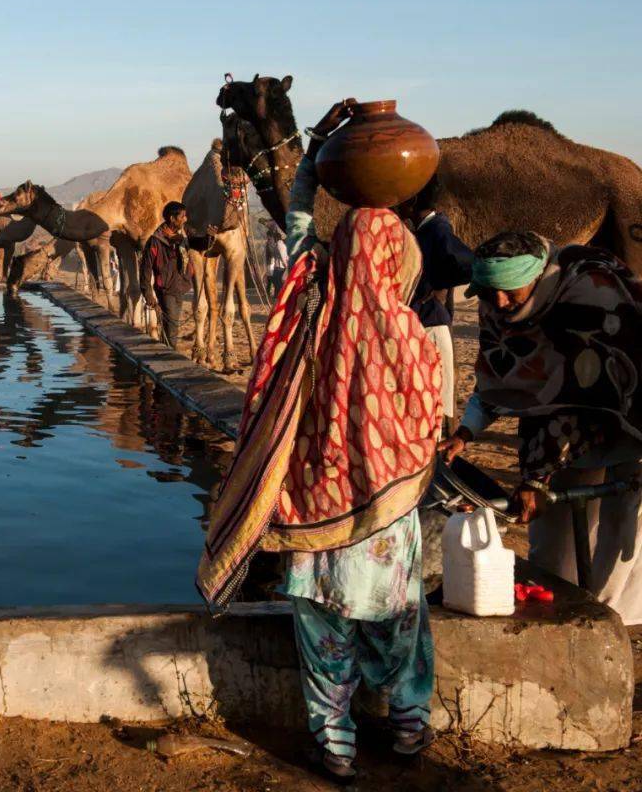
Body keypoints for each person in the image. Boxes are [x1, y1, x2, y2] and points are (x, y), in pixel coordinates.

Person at [197, 100, 440, 782]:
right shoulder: (412, 335)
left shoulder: (314, 293)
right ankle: (409, 725)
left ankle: (334, 746)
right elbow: (429, 421)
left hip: (317, 510)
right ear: (398, 266)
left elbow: (297, 212)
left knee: (322, 633)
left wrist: (324, 139)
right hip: (387, 522)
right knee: (400, 625)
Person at [440, 230, 642, 625]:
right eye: (486, 292)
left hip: (628, 416)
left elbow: (578, 397)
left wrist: (537, 479)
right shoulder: (496, 304)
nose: (498, 302)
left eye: (508, 292)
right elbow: (503, 376)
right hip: (556, 432)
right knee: (554, 542)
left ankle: (610, 628)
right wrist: (465, 434)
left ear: (534, 277)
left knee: (619, 531)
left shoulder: (589, 298)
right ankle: (564, 614)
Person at [396, 178, 474, 432]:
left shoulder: (437, 231)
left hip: (431, 327)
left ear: (412, 201)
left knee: (433, 411)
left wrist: (440, 285)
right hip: (421, 326)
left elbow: (467, 266)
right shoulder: (422, 232)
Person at [140, 201, 192, 348]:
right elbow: (146, 268)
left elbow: (199, 244)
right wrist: (147, 293)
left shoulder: (181, 239)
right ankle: (171, 355)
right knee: (172, 326)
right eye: (182, 216)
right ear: (172, 218)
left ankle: (166, 352)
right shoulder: (155, 241)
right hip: (165, 289)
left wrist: (209, 237)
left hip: (180, 287)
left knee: (171, 325)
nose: (185, 219)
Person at [263, 220, 289, 299]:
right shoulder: (280, 245)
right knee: (279, 287)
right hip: (280, 268)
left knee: (278, 288)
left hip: (277, 268)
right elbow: (283, 257)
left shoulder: (276, 245)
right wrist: (287, 266)